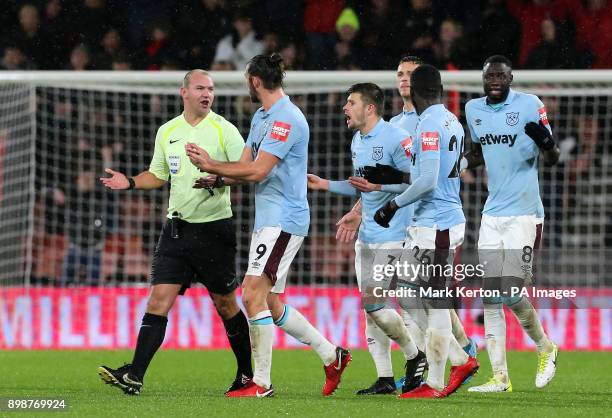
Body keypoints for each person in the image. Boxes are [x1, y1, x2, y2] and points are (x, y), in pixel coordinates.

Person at [185, 53, 350, 398]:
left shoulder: (286, 119)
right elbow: (245, 165)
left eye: (248, 79)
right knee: (271, 303)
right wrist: (217, 177)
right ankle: (331, 355)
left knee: (251, 293)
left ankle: (260, 383)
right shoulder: (262, 117)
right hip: (268, 221)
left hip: (284, 219)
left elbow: (259, 171)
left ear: (255, 81)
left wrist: (210, 161)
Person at [97, 69, 253, 395]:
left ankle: (246, 375)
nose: (207, 94)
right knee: (158, 300)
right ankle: (135, 376)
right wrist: (129, 182)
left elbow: (249, 170)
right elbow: (157, 175)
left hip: (214, 231)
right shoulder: (168, 131)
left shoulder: (224, 130)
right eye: (200, 88)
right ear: (184, 92)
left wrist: (221, 177)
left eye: (210, 88)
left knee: (226, 305)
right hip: (176, 230)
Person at [334, 56, 477, 394]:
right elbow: (440, 171)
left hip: (437, 220)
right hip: (430, 221)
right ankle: (452, 362)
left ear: (416, 89)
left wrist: (392, 204)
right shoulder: (451, 122)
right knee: (411, 295)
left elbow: (427, 180)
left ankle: (446, 371)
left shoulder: (427, 125)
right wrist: (389, 181)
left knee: (430, 299)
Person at [307, 82, 428, 396]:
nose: (345, 108)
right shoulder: (358, 141)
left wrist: (378, 189)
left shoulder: (397, 139)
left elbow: (417, 184)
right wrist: (327, 186)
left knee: (373, 303)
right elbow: (363, 186)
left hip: (393, 234)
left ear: (369, 107)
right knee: (371, 311)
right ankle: (385, 378)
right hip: (367, 235)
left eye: (351, 103)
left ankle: (416, 355)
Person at [462, 55, 559, 393]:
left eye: (501, 77)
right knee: (491, 294)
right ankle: (499, 377)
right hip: (492, 213)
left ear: (511, 77)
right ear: (483, 78)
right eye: (490, 77)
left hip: (525, 212)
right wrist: (456, 163)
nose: (495, 82)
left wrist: (547, 144)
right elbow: (478, 153)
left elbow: (553, 155)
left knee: (511, 292)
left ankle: (546, 347)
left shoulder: (531, 105)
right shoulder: (473, 110)